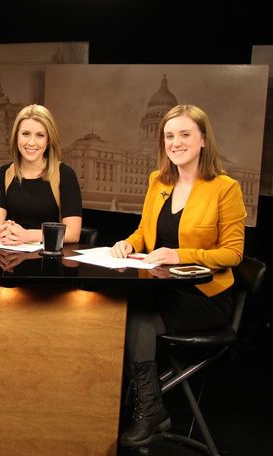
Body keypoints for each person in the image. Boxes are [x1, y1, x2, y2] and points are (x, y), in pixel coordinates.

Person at [110, 104, 246, 447]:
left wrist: (179, 255)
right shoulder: (158, 181)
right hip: (161, 288)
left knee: (139, 318)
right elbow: (144, 230)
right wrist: (127, 243)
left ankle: (149, 409)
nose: (176, 143)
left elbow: (233, 254)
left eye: (185, 134)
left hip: (204, 296)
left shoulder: (225, 188)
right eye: (169, 136)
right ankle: (135, 406)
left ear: (203, 139)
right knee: (114, 308)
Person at [0, 104, 82, 245]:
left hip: (50, 259)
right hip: (11, 257)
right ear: (16, 136)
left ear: (48, 141)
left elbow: (73, 233)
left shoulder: (65, 174)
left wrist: (27, 235)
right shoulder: (4, 173)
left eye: (40, 135)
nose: (31, 142)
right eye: (25, 134)